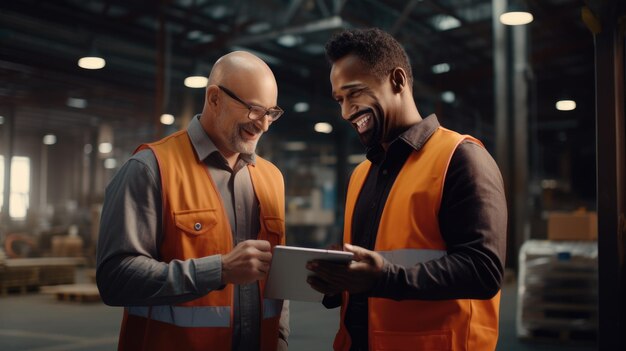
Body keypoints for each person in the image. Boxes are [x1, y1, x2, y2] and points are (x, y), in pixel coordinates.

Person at [306, 28, 507, 351]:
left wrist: (382, 277)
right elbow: (374, 267)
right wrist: (337, 279)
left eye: (354, 93)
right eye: (339, 100)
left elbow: (483, 270)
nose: (345, 112)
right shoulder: (361, 174)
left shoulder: (460, 158)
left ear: (397, 81)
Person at [96, 51, 289, 351]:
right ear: (214, 99)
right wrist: (220, 270)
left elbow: (276, 278)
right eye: (253, 110)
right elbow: (115, 279)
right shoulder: (150, 169)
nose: (263, 125)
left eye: (271, 113)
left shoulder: (271, 178)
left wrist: (279, 339)